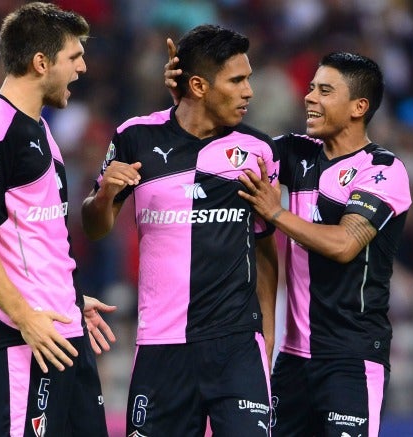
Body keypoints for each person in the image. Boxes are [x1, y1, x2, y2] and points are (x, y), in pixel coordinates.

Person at [165, 47, 411, 436]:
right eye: (312, 88)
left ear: (358, 106)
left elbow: (345, 244)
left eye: (325, 91)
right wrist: (189, 99)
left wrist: (277, 212)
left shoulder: (382, 171)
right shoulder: (294, 153)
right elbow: (226, 146)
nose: (309, 97)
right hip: (293, 362)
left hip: (351, 360)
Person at [82, 24, 279, 436]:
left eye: (249, 79)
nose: (249, 92)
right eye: (237, 80)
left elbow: (264, 251)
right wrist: (103, 197)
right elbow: (95, 228)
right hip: (161, 347)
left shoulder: (258, 151)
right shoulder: (135, 137)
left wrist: (268, 341)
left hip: (237, 347)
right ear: (198, 86)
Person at [0, 3, 115, 436]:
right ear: (41, 62)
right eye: (74, 57)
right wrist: (24, 316)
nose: (83, 67)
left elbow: (38, 234)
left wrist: (71, 299)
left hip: (64, 334)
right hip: (26, 341)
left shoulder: (40, 130)